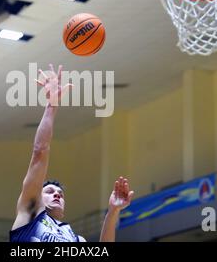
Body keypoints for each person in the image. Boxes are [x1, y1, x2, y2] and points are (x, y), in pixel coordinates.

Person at [10, 64, 134, 242]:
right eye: (49, 191)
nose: (57, 194)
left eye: (59, 193)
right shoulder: (30, 214)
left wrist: (113, 211)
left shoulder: (77, 239)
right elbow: (40, 151)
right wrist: (52, 106)